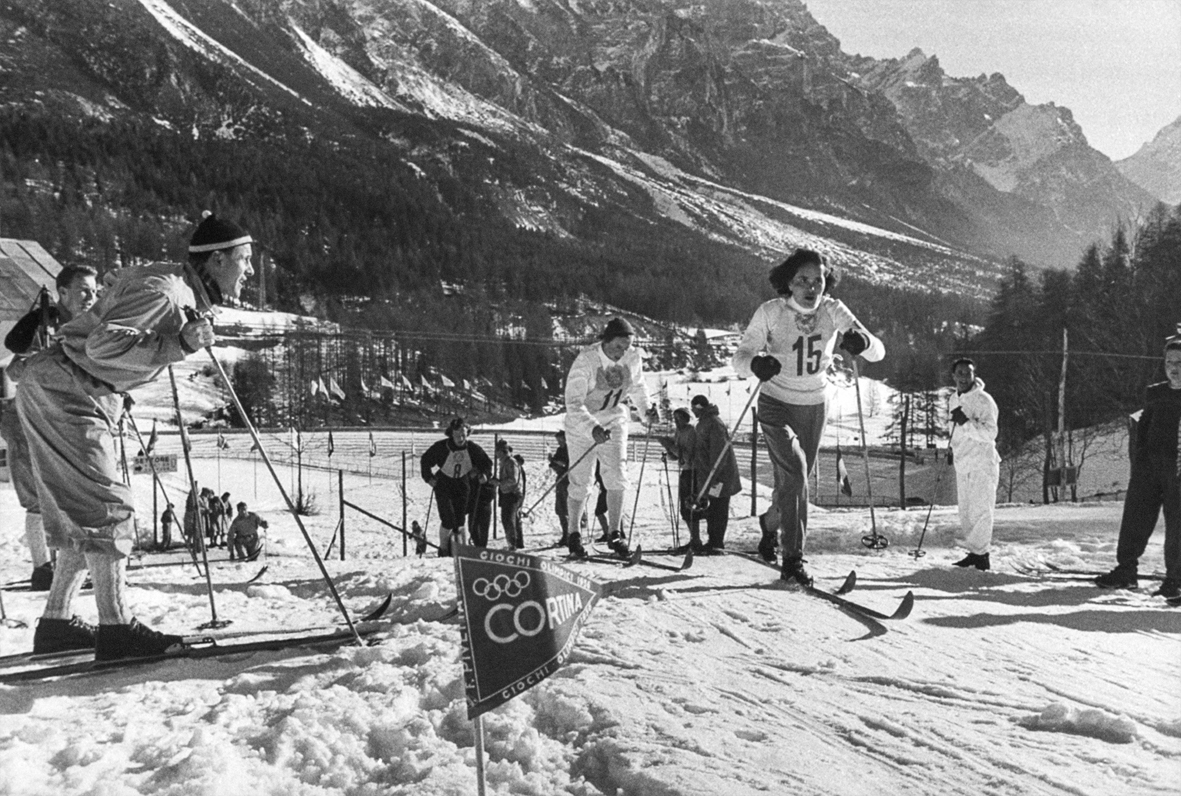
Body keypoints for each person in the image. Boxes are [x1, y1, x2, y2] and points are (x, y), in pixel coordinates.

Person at [17, 211, 254, 659]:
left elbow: (113, 300)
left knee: (84, 512)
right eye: (245, 259)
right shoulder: (166, 291)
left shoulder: (174, 284)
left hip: (67, 386)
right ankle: (117, 628)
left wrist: (125, 382)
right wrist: (179, 345)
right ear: (218, 260)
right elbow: (102, 345)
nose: (251, 270)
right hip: (68, 389)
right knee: (108, 507)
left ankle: (56, 623)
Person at [733, 249, 885, 587]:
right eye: (803, 280)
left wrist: (862, 341)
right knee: (797, 472)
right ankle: (793, 559)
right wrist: (756, 364)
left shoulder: (833, 310)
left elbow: (878, 352)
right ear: (789, 282)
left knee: (794, 483)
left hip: (814, 406)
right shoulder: (771, 312)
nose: (811, 287)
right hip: (776, 403)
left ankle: (770, 524)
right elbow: (740, 358)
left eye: (818, 280)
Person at [1, 265, 99, 590]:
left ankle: (76, 566)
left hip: (70, 418)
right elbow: (15, 366)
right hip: (31, 416)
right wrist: (40, 360)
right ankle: (43, 567)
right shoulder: (44, 323)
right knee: (38, 499)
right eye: (84, 290)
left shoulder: (93, 325)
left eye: (94, 291)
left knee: (76, 496)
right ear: (63, 293)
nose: (91, 297)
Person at [563, 317, 659, 559]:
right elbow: (573, 403)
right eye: (618, 346)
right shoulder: (587, 360)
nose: (622, 352)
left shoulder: (632, 357)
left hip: (614, 419)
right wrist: (592, 428)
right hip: (582, 424)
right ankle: (573, 534)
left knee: (617, 474)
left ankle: (615, 534)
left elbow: (637, 386)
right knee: (581, 480)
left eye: (626, 347)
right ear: (606, 341)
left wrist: (646, 410)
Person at [1095, 336, 1181, 598]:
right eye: (1169, 362)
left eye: (1180, 362)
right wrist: (1140, 460)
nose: (1174, 368)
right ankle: (1126, 571)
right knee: (1135, 517)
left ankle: (1175, 580)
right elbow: (1142, 427)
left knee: (1178, 525)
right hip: (1149, 467)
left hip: (1178, 469)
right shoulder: (1156, 393)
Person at [947, 358, 1001, 571]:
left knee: (981, 510)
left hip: (981, 463)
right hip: (963, 462)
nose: (963, 377)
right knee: (967, 512)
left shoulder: (984, 400)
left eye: (967, 373)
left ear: (973, 375)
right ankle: (974, 552)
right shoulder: (954, 399)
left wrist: (966, 423)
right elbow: (954, 429)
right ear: (954, 376)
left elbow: (990, 433)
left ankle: (982, 555)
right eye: (959, 373)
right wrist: (952, 448)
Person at [421, 417, 493, 556]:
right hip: (444, 484)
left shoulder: (472, 448)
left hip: (462, 485)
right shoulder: (442, 447)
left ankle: (462, 549)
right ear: (451, 434)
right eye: (457, 435)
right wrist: (428, 477)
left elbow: (487, 463)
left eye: (464, 435)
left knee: (460, 520)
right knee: (448, 520)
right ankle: (443, 549)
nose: (461, 438)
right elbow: (426, 460)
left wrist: (485, 474)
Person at [690, 394, 742, 554]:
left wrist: (714, 475)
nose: (693, 412)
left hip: (719, 476)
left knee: (718, 508)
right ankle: (712, 541)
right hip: (709, 474)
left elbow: (719, 451)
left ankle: (717, 542)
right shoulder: (704, 422)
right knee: (711, 508)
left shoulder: (713, 423)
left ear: (698, 407)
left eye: (693, 408)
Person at [659, 407, 701, 552]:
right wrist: (668, 451)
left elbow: (687, 456)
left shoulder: (691, 431)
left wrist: (670, 446)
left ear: (686, 418)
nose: (676, 422)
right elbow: (677, 455)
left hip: (693, 472)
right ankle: (694, 539)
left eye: (679, 418)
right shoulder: (679, 431)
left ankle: (696, 540)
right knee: (685, 508)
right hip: (685, 471)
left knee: (690, 506)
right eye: (675, 419)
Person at [494, 440, 526, 549]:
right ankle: (518, 543)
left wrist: (499, 483)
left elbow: (513, 480)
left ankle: (513, 544)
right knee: (514, 519)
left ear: (502, 451)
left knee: (508, 520)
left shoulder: (510, 462)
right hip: (507, 493)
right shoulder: (504, 462)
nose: (496, 453)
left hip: (512, 494)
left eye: (497, 451)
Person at [549, 430, 571, 545]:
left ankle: (571, 535)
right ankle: (565, 534)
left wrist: (556, 462)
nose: (559, 442)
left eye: (560, 440)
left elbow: (566, 464)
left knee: (568, 509)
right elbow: (555, 464)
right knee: (560, 510)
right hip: (560, 480)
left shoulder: (570, 449)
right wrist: (552, 461)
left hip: (568, 481)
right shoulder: (559, 450)